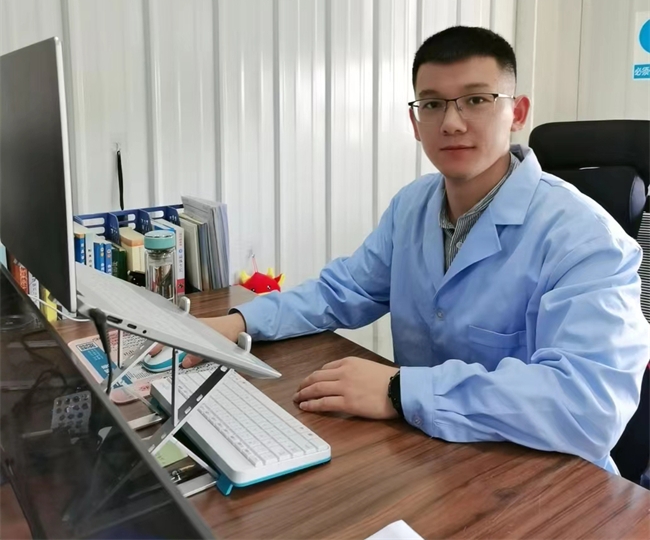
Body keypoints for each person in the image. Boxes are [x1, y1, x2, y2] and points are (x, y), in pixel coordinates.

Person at [156, 26, 650, 474]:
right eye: (432, 104)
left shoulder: (587, 240)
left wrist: (400, 390)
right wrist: (239, 322)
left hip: (548, 483)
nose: (451, 122)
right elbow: (341, 291)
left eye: (476, 100)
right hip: (429, 460)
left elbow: (589, 406)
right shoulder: (412, 205)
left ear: (517, 113)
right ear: (415, 122)